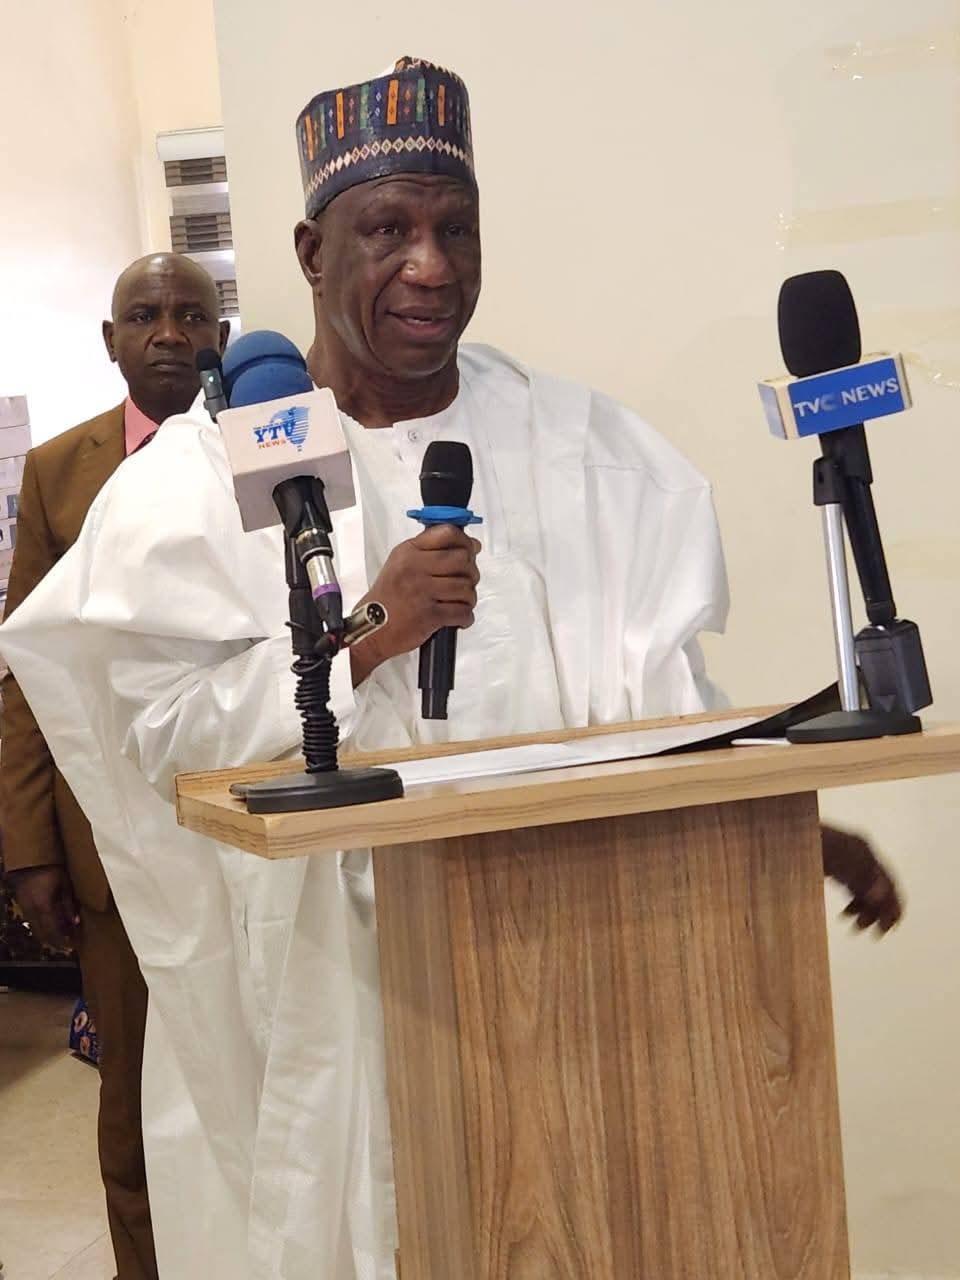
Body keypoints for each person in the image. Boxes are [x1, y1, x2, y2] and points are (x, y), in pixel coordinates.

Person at [0, 58, 901, 1280]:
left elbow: (659, 706)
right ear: (311, 252)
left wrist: (771, 829)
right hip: (334, 1000)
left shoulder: (582, 447)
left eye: (456, 229)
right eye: (389, 230)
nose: (431, 266)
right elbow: (155, 739)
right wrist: (369, 633)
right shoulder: (200, 481)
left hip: (569, 981)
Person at [0, 253, 228, 1280]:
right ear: (111, 339)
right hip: (111, 851)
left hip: (248, 830)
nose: (169, 333)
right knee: (133, 1100)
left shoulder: (274, 442)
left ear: (221, 336)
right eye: (145, 315)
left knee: (260, 1082)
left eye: (190, 314)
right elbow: (26, 669)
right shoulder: (59, 471)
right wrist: (30, 849)